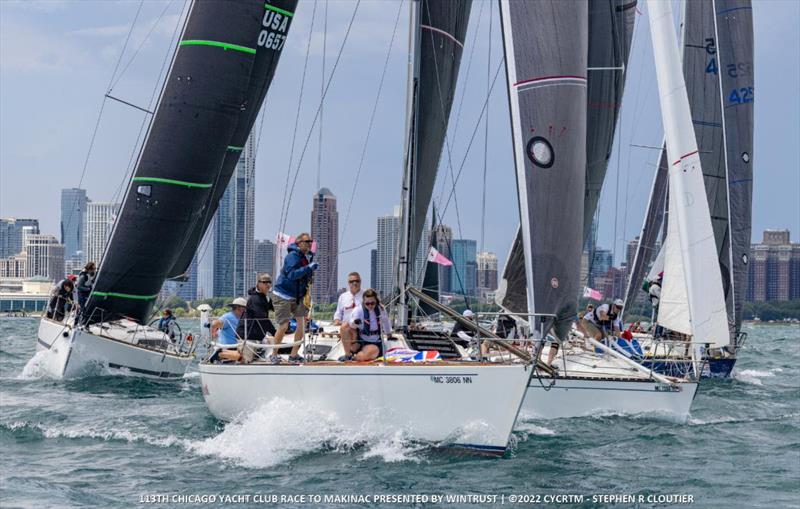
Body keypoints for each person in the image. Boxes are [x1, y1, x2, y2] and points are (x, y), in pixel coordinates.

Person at [271, 233, 318, 363]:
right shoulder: (292, 256)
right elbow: (292, 275)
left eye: (310, 241)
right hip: (283, 295)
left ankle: (293, 355)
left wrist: (309, 271)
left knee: (302, 326)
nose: (310, 244)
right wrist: (307, 268)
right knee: (284, 325)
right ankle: (274, 354)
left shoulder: (305, 257)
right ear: (299, 243)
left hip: (297, 296)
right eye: (307, 241)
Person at [344, 288, 391, 362]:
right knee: (344, 327)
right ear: (364, 302)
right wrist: (355, 322)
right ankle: (348, 354)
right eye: (367, 303)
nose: (370, 306)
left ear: (376, 301)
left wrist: (389, 334)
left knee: (368, 353)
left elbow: (386, 321)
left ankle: (354, 358)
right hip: (361, 339)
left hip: (375, 342)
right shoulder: (358, 310)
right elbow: (351, 323)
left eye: (372, 303)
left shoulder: (381, 309)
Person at [236, 273, 277, 343]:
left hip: (256, 334)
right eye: (265, 282)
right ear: (258, 284)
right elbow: (262, 318)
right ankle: (221, 352)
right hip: (247, 334)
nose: (268, 284)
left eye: (269, 282)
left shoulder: (265, 298)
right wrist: (275, 333)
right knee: (248, 354)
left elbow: (276, 309)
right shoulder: (255, 299)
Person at [334, 272, 364, 359]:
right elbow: (338, 313)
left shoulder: (366, 295)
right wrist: (336, 320)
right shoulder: (343, 296)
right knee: (345, 326)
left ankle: (352, 351)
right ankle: (348, 354)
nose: (354, 283)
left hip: (361, 327)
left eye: (357, 281)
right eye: (352, 281)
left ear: (360, 282)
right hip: (346, 327)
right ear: (348, 283)